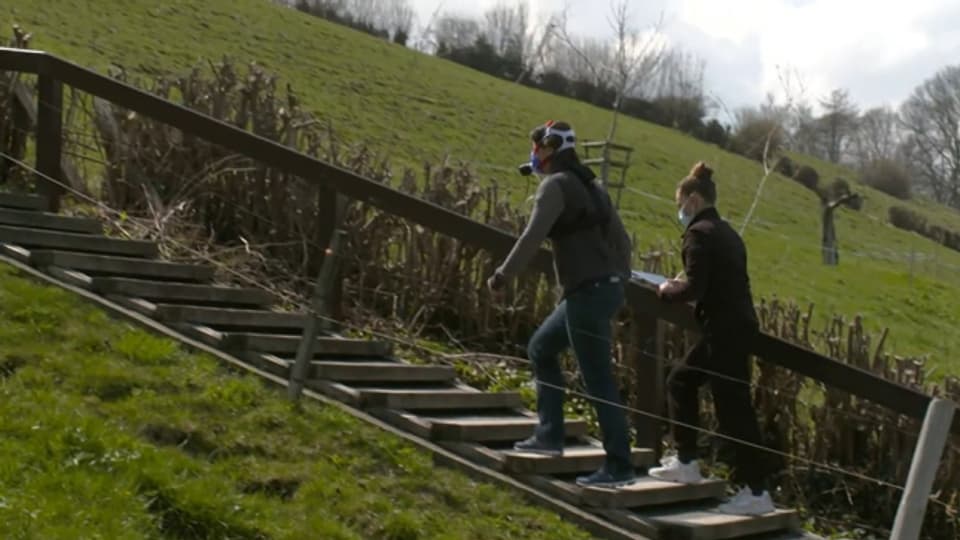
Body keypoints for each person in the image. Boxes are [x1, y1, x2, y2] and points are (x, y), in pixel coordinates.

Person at [487, 120, 636, 488]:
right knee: (542, 347)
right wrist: (619, 280)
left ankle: (619, 464)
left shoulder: (554, 186)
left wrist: (502, 276)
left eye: (537, 147)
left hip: (586, 292)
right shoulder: (594, 188)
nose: (534, 154)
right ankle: (550, 435)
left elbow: (531, 236)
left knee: (598, 378)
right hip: (602, 289)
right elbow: (623, 242)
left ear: (551, 149)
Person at [650, 161, 776, 516]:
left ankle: (755, 492)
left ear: (692, 199)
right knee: (686, 381)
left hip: (723, 331)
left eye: (680, 202)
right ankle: (688, 462)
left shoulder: (699, 234)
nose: (679, 210)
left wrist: (667, 290)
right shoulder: (727, 232)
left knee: (732, 409)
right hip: (736, 327)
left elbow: (695, 287)